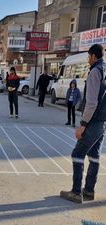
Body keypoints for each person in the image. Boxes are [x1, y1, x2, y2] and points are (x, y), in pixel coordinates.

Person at [60, 44, 106, 204]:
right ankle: (89, 191)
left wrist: (83, 124)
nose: (88, 59)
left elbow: (92, 102)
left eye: (88, 56)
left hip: (93, 121)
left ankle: (76, 192)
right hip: (102, 123)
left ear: (93, 56)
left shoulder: (95, 71)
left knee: (77, 154)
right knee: (94, 156)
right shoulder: (105, 70)